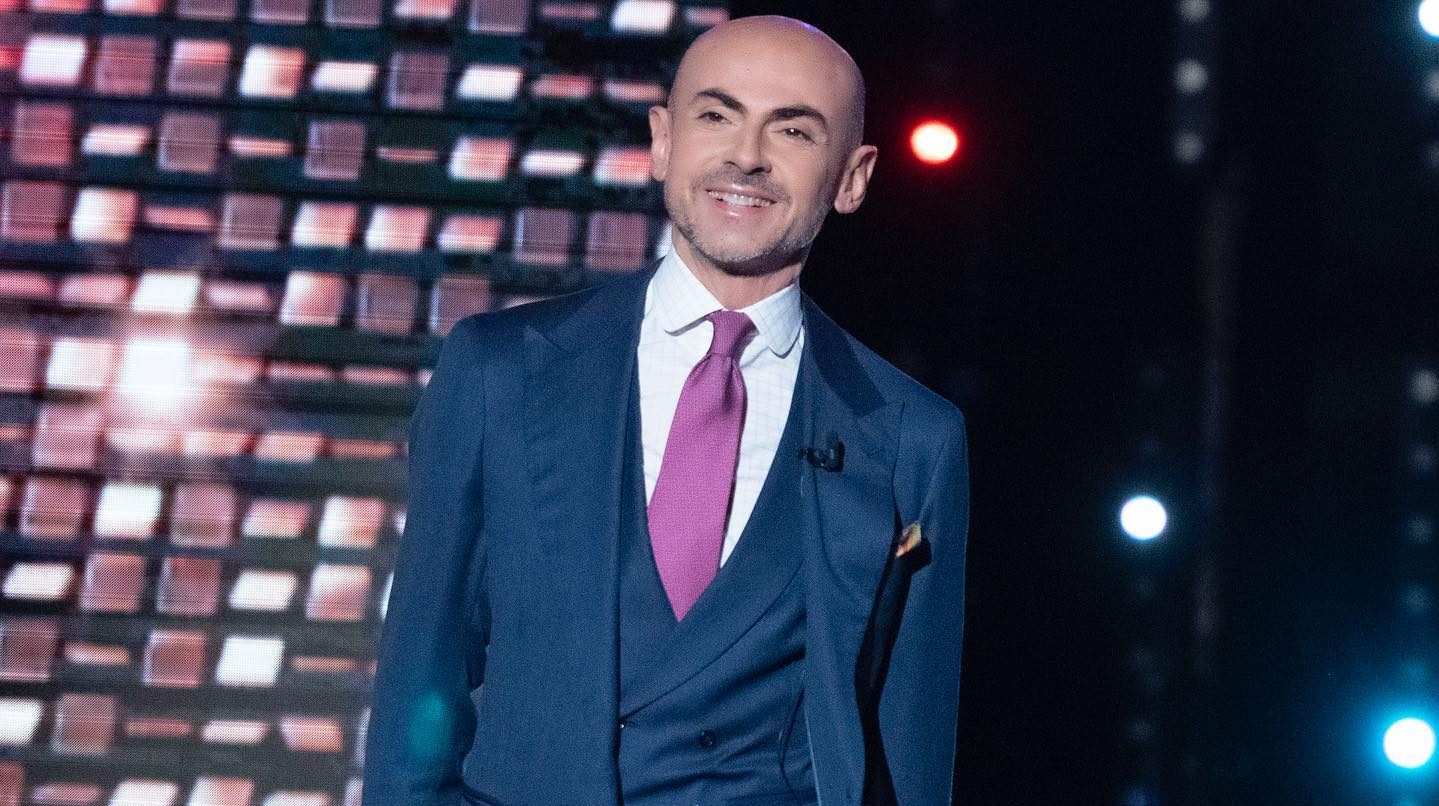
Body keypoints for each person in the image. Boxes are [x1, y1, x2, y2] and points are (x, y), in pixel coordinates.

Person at [362, 14, 969, 806]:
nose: (745, 156)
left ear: (851, 178)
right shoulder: (499, 371)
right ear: (662, 140)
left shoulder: (912, 438)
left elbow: (911, 748)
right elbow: (419, 681)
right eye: (716, 116)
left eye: (792, 130)